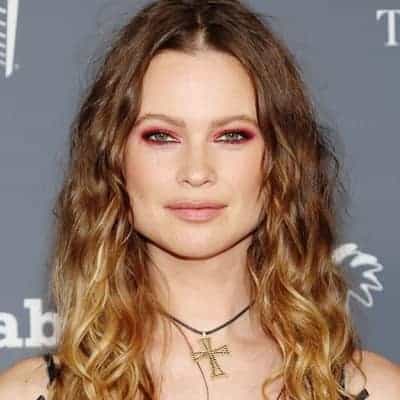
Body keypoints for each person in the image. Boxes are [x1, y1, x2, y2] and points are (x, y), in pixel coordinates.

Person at [1, 0, 399, 399]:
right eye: (161, 136)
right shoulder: (28, 392)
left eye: (232, 136)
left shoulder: (375, 390)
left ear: (281, 159)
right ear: (112, 158)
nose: (196, 171)